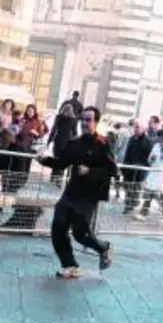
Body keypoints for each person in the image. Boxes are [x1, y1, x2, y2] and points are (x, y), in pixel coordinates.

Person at [37, 106, 117, 278]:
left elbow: (112, 170)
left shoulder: (102, 144)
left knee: (80, 233)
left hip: (89, 196)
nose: (84, 123)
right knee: (58, 227)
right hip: (71, 192)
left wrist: (90, 171)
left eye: (88, 120)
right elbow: (62, 163)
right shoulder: (74, 143)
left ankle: (104, 248)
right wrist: (44, 160)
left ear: (96, 122)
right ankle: (70, 265)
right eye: (82, 119)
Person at [119, 119, 155, 213]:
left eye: (137, 127)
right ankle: (128, 204)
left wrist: (143, 168)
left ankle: (130, 206)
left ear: (143, 128)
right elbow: (127, 152)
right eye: (135, 127)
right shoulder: (131, 138)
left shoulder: (148, 142)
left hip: (139, 171)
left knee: (135, 190)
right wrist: (123, 166)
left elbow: (149, 158)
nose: (135, 129)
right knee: (127, 187)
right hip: (128, 168)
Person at [49, 104, 78, 186]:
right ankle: (57, 179)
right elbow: (75, 133)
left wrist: (49, 141)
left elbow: (53, 129)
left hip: (60, 141)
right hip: (64, 141)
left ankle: (56, 178)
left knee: (58, 159)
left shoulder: (60, 117)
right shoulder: (72, 119)